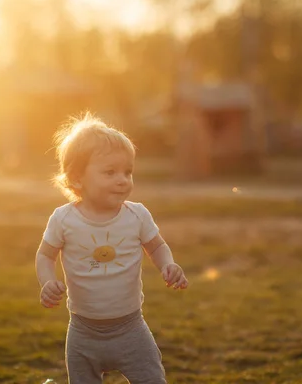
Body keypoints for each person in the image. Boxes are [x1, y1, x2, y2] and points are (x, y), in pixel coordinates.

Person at [35, 113, 188, 383]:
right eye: (110, 172)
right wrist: (47, 282)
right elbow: (45, 255)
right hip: (83, 334)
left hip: (131, 330)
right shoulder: (64, 219)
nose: (122, 180)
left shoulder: (137, 215)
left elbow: (157, 246)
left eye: (127, 172)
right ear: (77, 179)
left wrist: (168, 264)